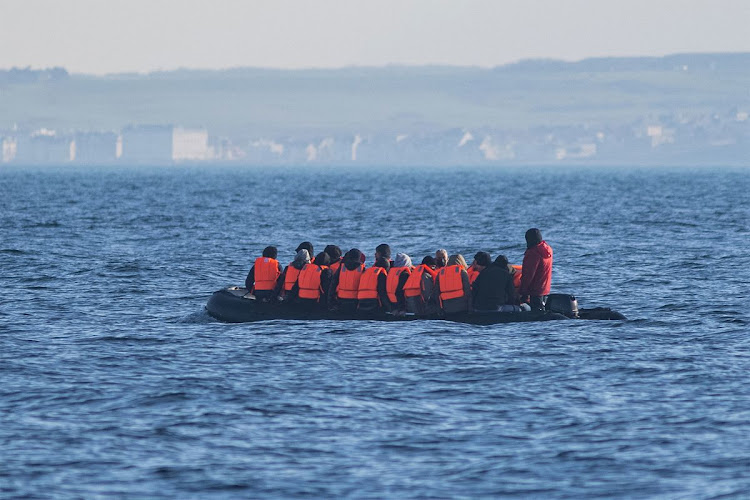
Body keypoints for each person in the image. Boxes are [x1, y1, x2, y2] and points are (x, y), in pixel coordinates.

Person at [520, 228, 553, 310]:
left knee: (536, 314)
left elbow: (528, 275)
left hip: (535, 290)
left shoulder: (533, 253)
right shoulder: (548, 249)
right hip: (545, 289)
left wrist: (522, 292)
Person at [328, 248, 365, 313]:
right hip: (356, 301)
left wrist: (331, 301)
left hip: (341, 300)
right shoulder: (362, 269)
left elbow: (333, 284)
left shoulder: (342, 267)